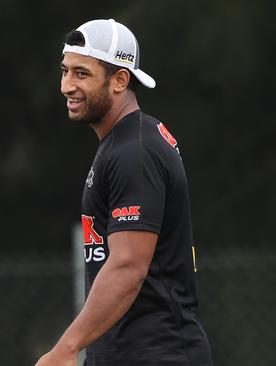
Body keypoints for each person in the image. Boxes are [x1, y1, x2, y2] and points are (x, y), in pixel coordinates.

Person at [35, 19, 213, 366]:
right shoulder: (124, 143)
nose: (66, 86)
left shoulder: (135, 152)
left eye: (81, 74)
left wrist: (67, 348)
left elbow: (128, 266)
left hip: (159, 355)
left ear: (119, 80)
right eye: (65, 71)